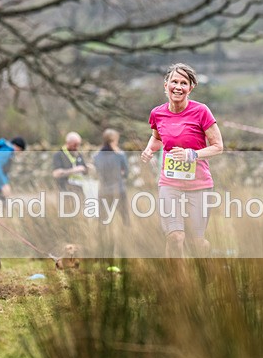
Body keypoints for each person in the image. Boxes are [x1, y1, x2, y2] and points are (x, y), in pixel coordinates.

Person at [140, 63, 224, 257]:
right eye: (174, 82)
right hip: (170, 183)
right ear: (166, 85)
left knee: (195, 243)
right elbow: (157, 138)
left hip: (199, 184)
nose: (178, 87)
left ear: (190, 88)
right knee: (175, 237)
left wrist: (191, 154)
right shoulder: (157, 113)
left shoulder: (201, 111)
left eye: (184, 83)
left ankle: (204, 257)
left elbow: (218, 146)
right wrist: (149, 149)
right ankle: (175, 276)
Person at [93, 128, 130, 227]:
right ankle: (127, 234)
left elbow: (97, 172)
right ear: (114, 140)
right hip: (119, 190)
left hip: (103, 191)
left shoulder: (96, 156)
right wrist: (121, 174)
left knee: (103, 220)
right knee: (125, 219)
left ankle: (102, 236)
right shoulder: (120, 155)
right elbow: (126, 172)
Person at [52, 131, 89, 200]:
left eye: (79, 144)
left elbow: (84, 170)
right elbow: (56, 173)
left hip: (79, 191)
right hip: (64, 192)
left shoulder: (79, 154)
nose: (77, 146)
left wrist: (86, 169)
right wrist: (73, 170)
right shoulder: (59, 155)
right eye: (75, 144)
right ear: (68, 142)